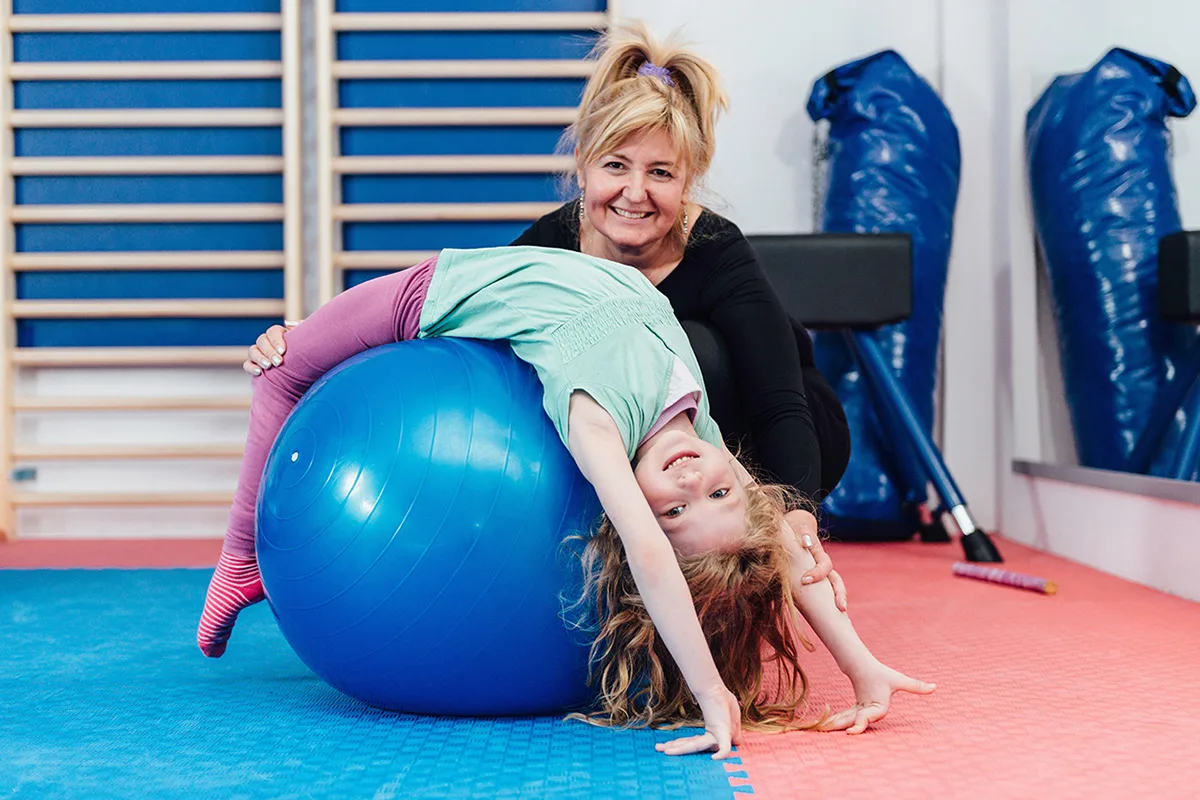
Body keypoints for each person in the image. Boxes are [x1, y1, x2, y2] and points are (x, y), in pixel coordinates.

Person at [198, 244, 934, 758]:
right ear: (742, 476)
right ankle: (244, 549)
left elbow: (648, 554)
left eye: (676, 511)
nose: (688, 482)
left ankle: (236, 566)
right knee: (278, 367)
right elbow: (783, 545)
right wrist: (859, 662)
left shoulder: (595, 423)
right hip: (468, 275)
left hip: (432, 300)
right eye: (718, 489)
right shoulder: (702, 432)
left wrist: (711, 692)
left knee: (279, 377)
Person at [244, 23, 852, 600]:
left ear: (687, 181)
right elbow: (452, 315)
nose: (635, 193)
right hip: (668, 443)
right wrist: (312, 338)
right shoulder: (550, 247)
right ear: (583, 165)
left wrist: (796, 513)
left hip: (777, 420)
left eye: (660, 174)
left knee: (692, 352)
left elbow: (782, 404)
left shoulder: (718, 253)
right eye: (616, 167)